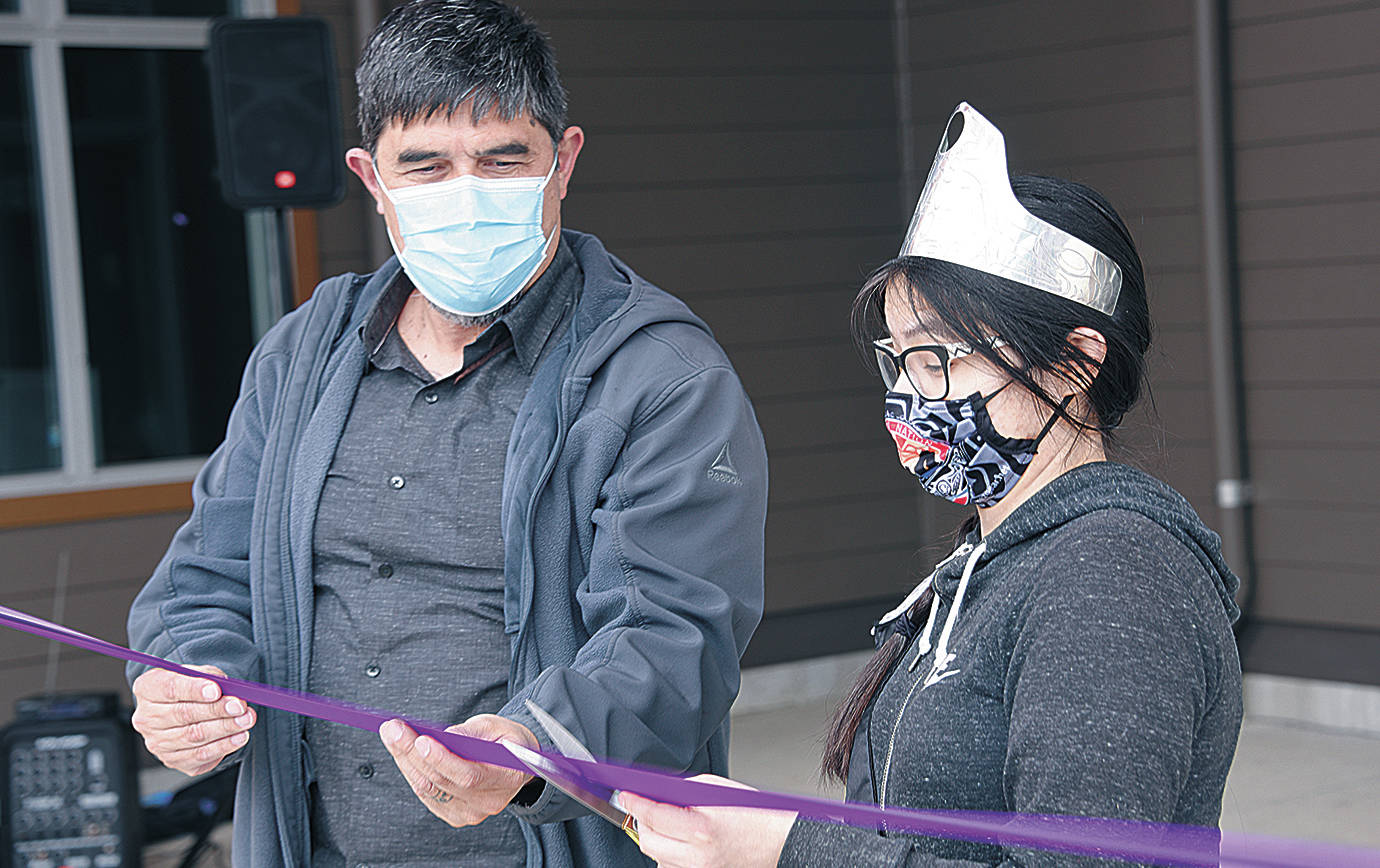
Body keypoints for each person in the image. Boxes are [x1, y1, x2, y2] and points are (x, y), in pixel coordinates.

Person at [124, 2, 767, 866]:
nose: (466, 196)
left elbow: (675, 637)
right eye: (425, 166)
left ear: (564, 162)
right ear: (371, 178)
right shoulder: (302, 354)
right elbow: (206, 577)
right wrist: (188, 678)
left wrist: (532, 745)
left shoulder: (662, 378)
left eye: (502, 161)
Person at [618, 102, 1243, 867]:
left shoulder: (1111, 573)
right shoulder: (998, 555)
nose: (910, 394)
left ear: (1076, 362)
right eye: (899, 358)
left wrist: (786, 850)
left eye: (937, 357)